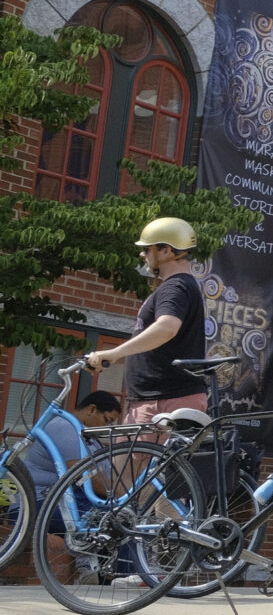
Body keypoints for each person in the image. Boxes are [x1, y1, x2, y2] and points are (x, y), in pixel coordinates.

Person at [82, 218, 210, 434]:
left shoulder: (176, 286)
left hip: (166, 400)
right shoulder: (179, 286)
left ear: (166, 250)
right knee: (126, 467)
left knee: (127, 467)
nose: (142, 255)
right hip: (157, 398)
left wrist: (114, 353)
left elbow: (167, 327)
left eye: (147, 249)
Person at [25, 387, 121, 584]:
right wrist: (118, 495)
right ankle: (123, 578)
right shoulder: (65, 426)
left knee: (118, 520)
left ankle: (109, 581)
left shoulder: (89, 436)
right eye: (107, 420)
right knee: (113, 522)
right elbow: (80, 473)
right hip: (42, 500)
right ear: (92, 409)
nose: (107, 427)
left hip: (65, 500)